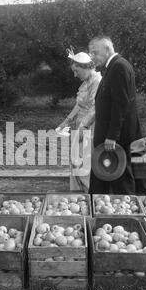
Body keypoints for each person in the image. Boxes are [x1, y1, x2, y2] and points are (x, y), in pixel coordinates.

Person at [88, 36, 142, 194]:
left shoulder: (119, 67)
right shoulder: (113, 66)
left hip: (114, 137)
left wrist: (112, 136)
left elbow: (121, 105)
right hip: (108, 135)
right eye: (90, 53)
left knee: (121, 177)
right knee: (102, 174)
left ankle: (129, 214)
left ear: (107, 49)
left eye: (95, 52)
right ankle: (97, 209)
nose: (92, 57)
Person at [56, 49, 102, 192]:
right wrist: (67, 121)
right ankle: (76, 191)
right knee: (76, 159)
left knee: (83, 161)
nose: (75, 75)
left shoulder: (97, 81)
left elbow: (95, 107)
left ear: (86, 67)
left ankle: (87, 193)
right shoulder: (85, 82)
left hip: (89, 125)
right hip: (80, 124)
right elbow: (79, 105)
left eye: (77, 71)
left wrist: (84, 127)